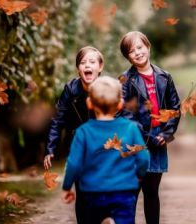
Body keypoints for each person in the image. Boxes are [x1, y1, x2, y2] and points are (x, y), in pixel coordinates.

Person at [62, 76, 150, 224]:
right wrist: (139, 175)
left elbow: (74, 163)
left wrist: (67, 187)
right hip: (124, 190)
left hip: (92, 192)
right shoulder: (131, 128)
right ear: (121, 104)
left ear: (89, 103)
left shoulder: (83, 131)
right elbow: (143, 157)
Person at [120, 31, 180, 224]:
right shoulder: (126, 80)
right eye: (131, 51)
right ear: (127, 57)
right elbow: (125, 114)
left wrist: (167, 132)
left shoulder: (164, 77)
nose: (137, 53)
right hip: (136, 141)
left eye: (140, 47)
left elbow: (174, 107)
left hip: (159, 138)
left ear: (148, 46)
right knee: (132, 192)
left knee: (152, 192)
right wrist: (145, 135)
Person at [44, 46, 104, 223]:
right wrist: (50, 148)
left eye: (92, 62)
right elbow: (58, 119)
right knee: (83, 193)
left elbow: (119, 118)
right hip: (78, 147)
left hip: (102, 148)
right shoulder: (70, 90)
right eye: (83, 62)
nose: (87, 65)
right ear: (78, 68)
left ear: (100, 67)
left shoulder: (107, 88)